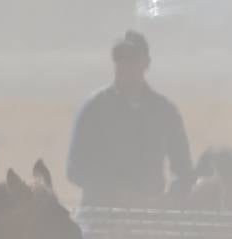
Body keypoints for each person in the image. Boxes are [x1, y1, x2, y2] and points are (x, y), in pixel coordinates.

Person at [64, 30, 192, 207]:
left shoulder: (165, 112)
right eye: (119, 59)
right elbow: (75, 169)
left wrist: (165, 202)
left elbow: (184, 172)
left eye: (131, 59)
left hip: (150, 217)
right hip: (99, 216)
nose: (124, 65)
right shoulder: (94, 109)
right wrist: (114, 194)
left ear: (146, 63)